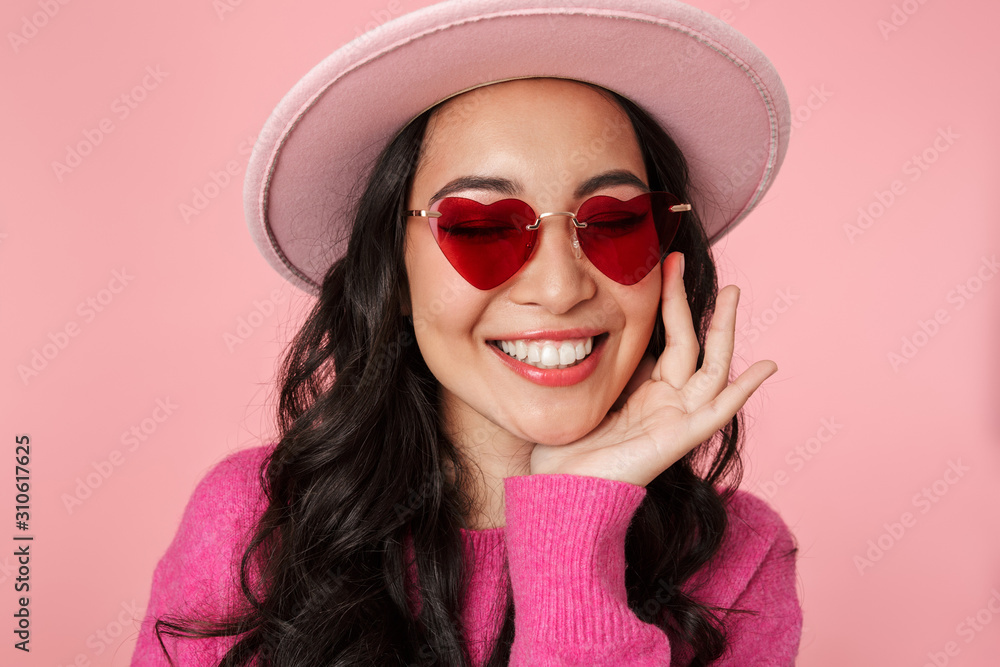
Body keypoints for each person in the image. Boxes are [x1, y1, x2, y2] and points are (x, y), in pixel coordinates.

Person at [131, 1, 802, 665]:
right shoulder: (251, 523)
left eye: (616, 221)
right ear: (393, 268)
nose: (561, 286)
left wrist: (575, 529)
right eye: (483, 227)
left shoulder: (738, 561)